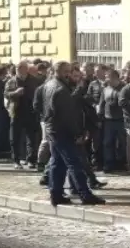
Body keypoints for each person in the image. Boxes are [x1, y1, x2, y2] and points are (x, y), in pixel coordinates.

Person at [42, 61, 104, 206]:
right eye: (68, 72)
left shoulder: (49, 85)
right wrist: (77, 134)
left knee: (57, 163)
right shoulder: (60, 89)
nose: (70, 74)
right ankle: (85, 194)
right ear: (63, 72)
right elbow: (67, 116)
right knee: (74, 163)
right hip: (62, 131)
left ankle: (56, 194)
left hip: (53, 129)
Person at [5, 62, 41, 169]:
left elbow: (39, 94)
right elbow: (6, 94)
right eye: (17, 68)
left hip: (31, 111)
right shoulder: (12, 81)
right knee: (15, 137)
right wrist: (15, 93)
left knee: (32, 137)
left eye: (21, 68)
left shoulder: (34, 80)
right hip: (16, 111)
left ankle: (31, 160)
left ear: (26, 69)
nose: (18, 69)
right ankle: (16, 160)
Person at [99, 69, 126, 172]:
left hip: (121, 120)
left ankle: (121, 163)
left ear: (114, 77)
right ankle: (109, 164)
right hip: (108, 120)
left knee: (122, 143)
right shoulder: (105, 89)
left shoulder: (123, 88)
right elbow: (102, 103)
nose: (106, 78)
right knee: (108, 143)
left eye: (107, 76)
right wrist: (100, 116)